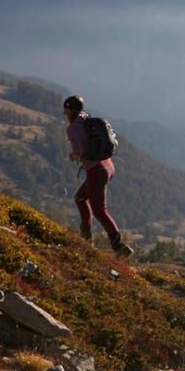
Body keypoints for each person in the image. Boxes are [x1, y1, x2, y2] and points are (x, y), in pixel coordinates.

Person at [63, 95, 132, 257]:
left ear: (70, 110)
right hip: (107, 165)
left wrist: (73, 156)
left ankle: (119, 247)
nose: (64, 112)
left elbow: (78, 151)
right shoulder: (86, 117)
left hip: (96, 170)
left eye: (65, 109)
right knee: (80, 198)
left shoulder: (72, 128)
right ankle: (86, 239)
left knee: (99, 210)